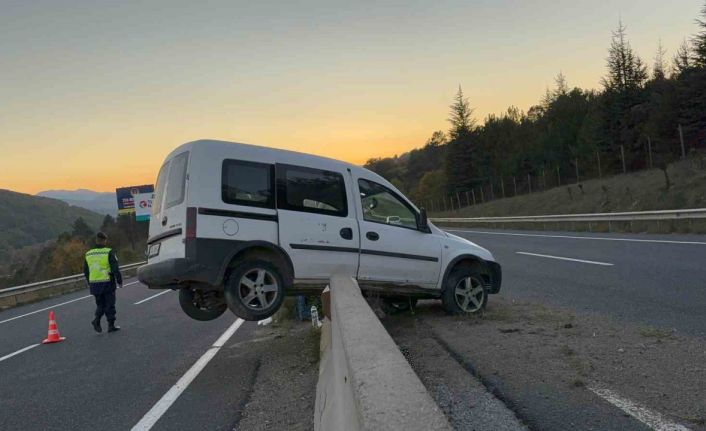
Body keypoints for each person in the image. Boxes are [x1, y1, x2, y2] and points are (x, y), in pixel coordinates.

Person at [83, 232, 122, 333]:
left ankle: (96, 320)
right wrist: (119, 280)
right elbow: (115, 268)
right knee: (110, 304)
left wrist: (89, 282)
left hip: (94, 284)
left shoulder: (88, 254)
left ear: (96, 240)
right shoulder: (109, 252)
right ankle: (111, 325)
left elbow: (86, 271)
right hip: (107, 282)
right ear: (105, 240)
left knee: (100, 305)